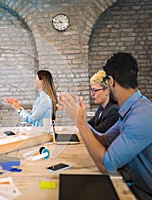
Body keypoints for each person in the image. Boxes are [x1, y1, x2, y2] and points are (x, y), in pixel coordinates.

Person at [57, 52, 152, 199]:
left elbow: (106, 165)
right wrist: (81, 119)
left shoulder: (140, 117)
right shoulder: (134, 108)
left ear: (111, 81)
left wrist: (80, 123)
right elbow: (105, 140)